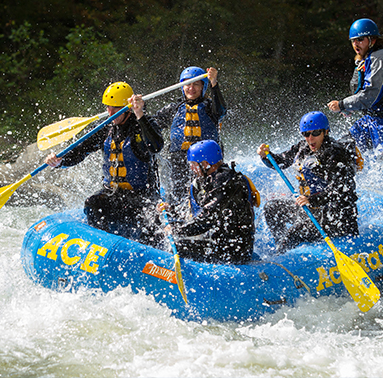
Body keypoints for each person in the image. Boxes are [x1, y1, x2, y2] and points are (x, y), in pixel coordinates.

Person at [46, 82, 164, 245]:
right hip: (113, 193)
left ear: (127, 107)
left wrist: (140, 114)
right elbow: (81, 150)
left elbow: (156, 146)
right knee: (93, 202)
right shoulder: (105, 129)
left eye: (115, 108)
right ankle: (100, 246)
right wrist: (60, 161)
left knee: (151, 222)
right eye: (107, 107)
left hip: (142, 195)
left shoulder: (143, 124)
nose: (110, 113)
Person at [257, 112, 361, 252]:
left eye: (316, 133)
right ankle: (281, 248)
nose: (310, 138)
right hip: (313, 209)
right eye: (306, 134)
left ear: (326, 132)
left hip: (336, 216)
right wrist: (266, 156)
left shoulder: (335, 154)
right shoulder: (303, 147)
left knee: (295, 232)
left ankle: (283, 253)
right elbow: (281, 162)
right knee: (271, 208)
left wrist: (312, 200)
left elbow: (341, 190)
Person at [326, 18, 383, 167]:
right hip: (372, 120)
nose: (355, 44)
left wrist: (343, 105)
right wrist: (349, 107)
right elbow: (360, 92)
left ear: (372, 40)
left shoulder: (380, 58)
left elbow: (371, 95)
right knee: (340, 149)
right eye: (353, 41)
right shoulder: (364, 60)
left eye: (360, 40)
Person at [165, 140, 257, 264]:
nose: (191, 168)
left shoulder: (226, 183)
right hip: (220, 243)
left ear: (206, 164)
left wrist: (177, 230)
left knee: (177, 247)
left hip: (233, 251)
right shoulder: (210, 179)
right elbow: (196, 213)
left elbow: (207, 219)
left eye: (193, 164)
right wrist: (171, 210)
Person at [152, 66, 228, 215]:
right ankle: (178, 220)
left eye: (196, 84)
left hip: (206, 160)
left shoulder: (210, 108)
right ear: (182, 87)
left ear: (203, 87)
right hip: (180, 159)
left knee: (206, 192)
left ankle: (206, 217)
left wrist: (214, 83)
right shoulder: (173, 109)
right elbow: (152, 126)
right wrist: (138, 111)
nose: (191, 88)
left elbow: (221, 111)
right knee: (179, 193)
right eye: (187, 84)